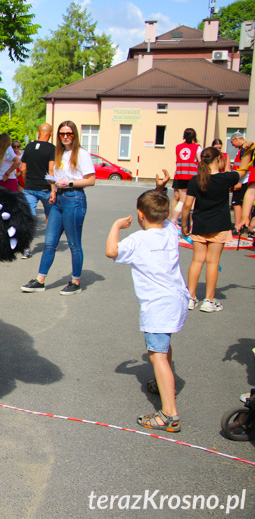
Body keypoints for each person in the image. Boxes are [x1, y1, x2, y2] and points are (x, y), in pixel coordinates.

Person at [106, 169, 186, 433]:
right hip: (176, 301)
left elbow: (111, 251)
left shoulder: (139, 239)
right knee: (164, 348)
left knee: (157, 355)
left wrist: (116, 226)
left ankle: (169, 414)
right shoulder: (170, 231)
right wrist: (161, 188)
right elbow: (163, 211)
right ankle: (163, 385)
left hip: (157, 306)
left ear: (140, 215)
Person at [21, 120, 95, 295]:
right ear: (58, 135)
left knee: (74, 244)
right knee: (49, 242)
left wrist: (69, 182)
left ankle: (75, 281)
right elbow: (56, 175)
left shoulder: (82, 154)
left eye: (69, 134)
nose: (66, 137)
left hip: (74, 199)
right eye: (62, 134)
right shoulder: (59, 153)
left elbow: (91, 180)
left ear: (75, 135)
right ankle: (40, 280)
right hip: (59, 199)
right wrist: (53, 188)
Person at [182, 144, 253, 312]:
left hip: (200, 225)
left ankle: (190, 297)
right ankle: (209, 300)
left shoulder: (195, 179)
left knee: (197, 260)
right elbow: (243, 169)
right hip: (219, 226)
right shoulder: (226, 178)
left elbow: (187, 206)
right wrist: (247, 150)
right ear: (219, 160)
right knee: (213, 262)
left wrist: (185, 224)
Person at [18, 123, 56, 258]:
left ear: (38, 132)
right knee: (50, 216)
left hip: (30, 188)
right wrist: (53, 188)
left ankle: (26, 248)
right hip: (45, 187)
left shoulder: (28, 147)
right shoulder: (52, 149)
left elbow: (23, 169)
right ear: (50, 134)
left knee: (30, 218)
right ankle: (49, 245)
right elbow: (51, 170)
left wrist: (26, 181)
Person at [171, 128, 201, 223]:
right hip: (192, 176)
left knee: (181, 200)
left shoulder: (178, 147)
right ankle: (192, 223)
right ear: (194, 136)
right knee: (192, 200)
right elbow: (200, 161)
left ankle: (174, 220)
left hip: (180, 176)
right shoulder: (197, 147)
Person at [229, 131, 253, 232]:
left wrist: (238, 181)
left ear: (236, 139)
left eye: (232, 142)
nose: (232, 145)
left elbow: (244, 167)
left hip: (244, 180)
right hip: (243, 179)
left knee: (236, 203)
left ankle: (238, 226)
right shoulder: (242, 149)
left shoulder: (246, 148)